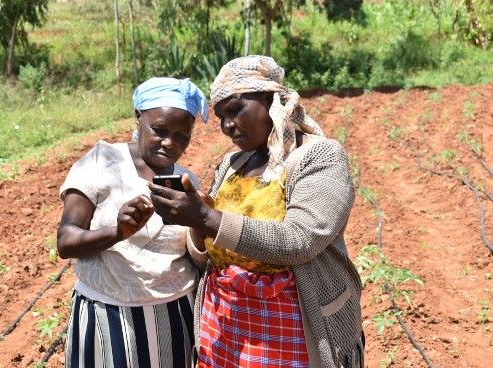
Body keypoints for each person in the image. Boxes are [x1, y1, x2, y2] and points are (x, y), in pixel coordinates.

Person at [148, 56, 364, 368]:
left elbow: (300, 240)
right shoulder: (233, 164)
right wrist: (197, 223)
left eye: (235, 109)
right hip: (225, 327)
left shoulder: (318, 157)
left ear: (270, 99)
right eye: (221, 116)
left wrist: (205, 218)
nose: (227, 125)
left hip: (290, 333)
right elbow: (207, 255)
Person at [57, 77, 209, 367]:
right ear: (139, 118)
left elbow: (194, 256)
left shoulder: (187, 180)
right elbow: (66, 242)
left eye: (182, 136)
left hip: (174, 314)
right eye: (160, 130)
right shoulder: (102, 162)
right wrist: (117, 232)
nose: (169, 143)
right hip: (108, 316)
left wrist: (200, 221)